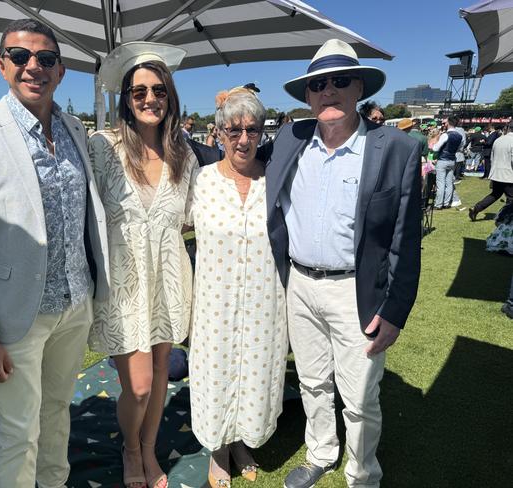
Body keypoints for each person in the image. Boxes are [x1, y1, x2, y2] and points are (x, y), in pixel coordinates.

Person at [0, 18, 109, 488]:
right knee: (18, 430)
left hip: (74, 304)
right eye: (20, 56)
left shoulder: (75, 128)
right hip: (16, 317)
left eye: (46, 58)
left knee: (58, 414)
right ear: (2, 65)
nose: (33, 66)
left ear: (61, 71)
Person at [266, 39, 421, 488]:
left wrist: (395, 310)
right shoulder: (290, 139)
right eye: (318, 84)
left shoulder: (396, 148)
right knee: (313, 382)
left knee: (358, 397)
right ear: (307, 95)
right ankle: (320, 453)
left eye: (339, 81)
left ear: (359, 88)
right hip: (299, 284)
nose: (328, 91)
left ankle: (362, 474)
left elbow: (406, 241)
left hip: (359, 291)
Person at [89, 42, 197, 488]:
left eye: (158, 90)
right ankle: (130, 447)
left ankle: (148, 450)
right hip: (122, 286)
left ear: (169, 96)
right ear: (127, 101)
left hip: (170, 282)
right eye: (139, 92)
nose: (150, 99)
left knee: (158, 377)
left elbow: (191, 219)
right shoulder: (103, 147)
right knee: (137, 386)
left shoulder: (184, 156)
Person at [189, 86, 288, 488]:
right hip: (216, 302)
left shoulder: (276, 182)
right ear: (218, 134)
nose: (244, 139)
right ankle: (218, 448)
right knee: (216, 372)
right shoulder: (201, 182)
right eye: (234, 131)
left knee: (257, 372)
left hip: (265, 300)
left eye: (252, 130)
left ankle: (243, 442)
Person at [469, 120, 513, 221]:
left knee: (495, 194)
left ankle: (477, 208)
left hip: (496, 173)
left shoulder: (499, 140)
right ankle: (504, 217)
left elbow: (492, 157)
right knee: (511, 198)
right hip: (508, 174)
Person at [431, 115, 462, 209]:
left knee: (440, 183)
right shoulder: (459, 135)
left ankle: (438, 204)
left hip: (443, 160)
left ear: (448, 123)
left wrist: (433, 144)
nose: (444, 124)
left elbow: (436, 148)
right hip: (452, 160)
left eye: (445, 123)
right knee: (449, 183)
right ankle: (446, 203)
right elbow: (460, 148)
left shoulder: (445, 135)